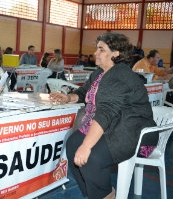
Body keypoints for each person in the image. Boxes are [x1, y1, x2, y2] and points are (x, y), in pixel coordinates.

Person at [49, 33, 158, 199]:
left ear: (116, 53)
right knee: (72, 144)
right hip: (113, 127)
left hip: (135, 133)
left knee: (91, 156)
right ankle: (98, 195)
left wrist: (87, 146)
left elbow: (106, 112)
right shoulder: (99, 73)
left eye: (101, 49)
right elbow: (84, 91)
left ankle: (106, 195)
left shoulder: (120, 75)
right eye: (97, 48)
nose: (95, 53)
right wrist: (68, 97)